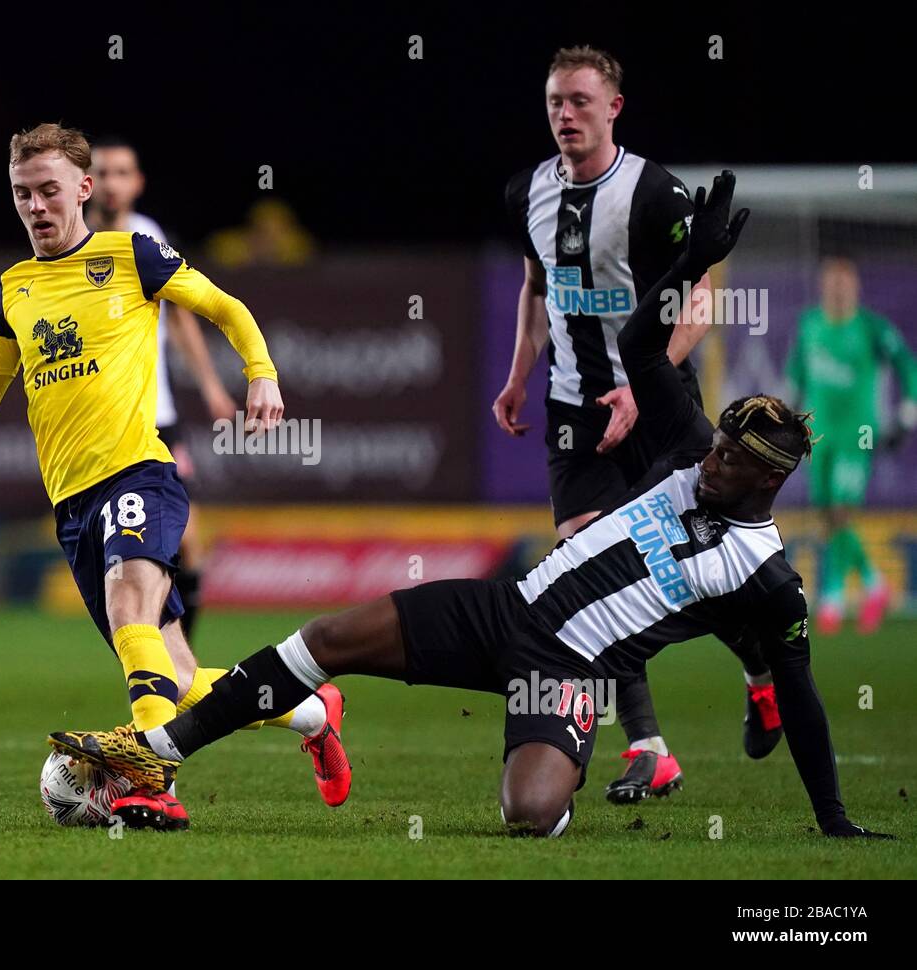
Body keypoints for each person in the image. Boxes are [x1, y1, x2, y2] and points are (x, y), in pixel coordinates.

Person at [52, 172, 891, 841]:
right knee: (326, 639)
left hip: (563, 672)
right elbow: (640, 348)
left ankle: (597, 751)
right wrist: (688, 268)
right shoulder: (688, 446)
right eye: (716, 449)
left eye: (731, 463)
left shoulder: (769, 577)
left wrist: (836, 822)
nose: (712, 464)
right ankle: (153, 756)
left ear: (768, 481)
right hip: (505, 610)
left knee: (527, 815)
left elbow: (811, 704)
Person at [0, 124, 349, 830]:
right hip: (72, 506)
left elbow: (224, 307)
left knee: (128, 602)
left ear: (83, 188)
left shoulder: (129, 253)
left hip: (140, 470)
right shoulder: (11, 290)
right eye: (23, 194)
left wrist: (261, 374)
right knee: (178, 677)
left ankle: (151, 782)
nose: (37, 206)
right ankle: (312, 713)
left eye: (50, 190)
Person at [493, 46, 780, 803]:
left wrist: (637, 384)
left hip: (658, 406)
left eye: (581, 101)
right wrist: (519, 374)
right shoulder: (527, 191)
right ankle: (649, 748)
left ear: (614, 107)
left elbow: (704, 299)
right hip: (569, 410)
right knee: (588, 571)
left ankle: (761, 675)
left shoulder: (655, 193)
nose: (566, 115)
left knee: (684, 569)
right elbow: (533, 289)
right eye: (555, 101)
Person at [86, 135, 238, 640]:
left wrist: (213, 387)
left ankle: (178, 670)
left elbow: (181, 321)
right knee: (121, 555)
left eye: (121, 173)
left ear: (137, 183)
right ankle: (156, 669)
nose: (111, 183)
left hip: (157, 415)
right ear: (86, 183)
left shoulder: (148, 237)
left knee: (188, 542)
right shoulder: (69, 240)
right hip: (99, 419)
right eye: (102, 173)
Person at [785, 257, 917, 634]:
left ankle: (833, 595)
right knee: (827, 516)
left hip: (858, 436)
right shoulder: (809, 325)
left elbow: (907, 365)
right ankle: (874, 584)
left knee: (842, 510)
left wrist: (907, 411)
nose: (839, 291)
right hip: (819, 436)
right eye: (832, 284)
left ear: (856, 288)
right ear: (824, 287)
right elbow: (796, 374)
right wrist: (788, 416)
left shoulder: (872, 328)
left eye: (845, 284)